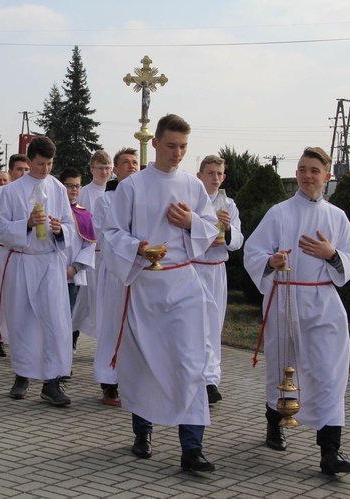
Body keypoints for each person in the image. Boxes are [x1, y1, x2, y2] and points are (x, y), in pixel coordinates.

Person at [101, 114, 219, 472]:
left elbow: (211, 229)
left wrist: (190, 223)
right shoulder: (133, 186)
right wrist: (138, 248)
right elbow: (111, 232)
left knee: (190, 363)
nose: (178, 153)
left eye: (183, 147)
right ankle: (143, 432)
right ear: (155, 144)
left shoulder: (193, 185)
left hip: (184, 284)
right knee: (146, 363)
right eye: (171, 146)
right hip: (145, 286)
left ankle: (192, 448)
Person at [243, 146, 350, 475]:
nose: (307, 176)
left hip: (323, 305)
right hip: (286, 300)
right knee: (282, 369)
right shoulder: (279, 213)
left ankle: (330, 451)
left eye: (314, 170)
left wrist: (331, 253)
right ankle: (274, 424)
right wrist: (271, 261)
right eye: (302, 169)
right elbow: (253, 251)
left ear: (327, 176)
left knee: (328, 375)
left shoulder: (337, 217)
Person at [0, 136, 75, 406]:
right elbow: (0, 230)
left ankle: (52, 382)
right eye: (40, 164)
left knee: (55, 322)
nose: (45, 170)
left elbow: (71, 226)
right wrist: (25, 224)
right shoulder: (11, 191)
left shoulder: (58, 188)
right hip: (24, 261)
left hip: (50, 261)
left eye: (50, 164)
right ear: (29, 160)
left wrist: (61, 230)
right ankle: (22, 375)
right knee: (23, 321)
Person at [91, 147, 139, 406]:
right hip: (116, 273)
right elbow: (107, 235)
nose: (131, 166)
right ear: (116, 170)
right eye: (125, 162)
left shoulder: (147, 196)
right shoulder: (106, 200)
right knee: (113, 327)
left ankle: (135, 381)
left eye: (135, 162)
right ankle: (109, 382)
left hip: (143, 274)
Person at [194, 155, 244, 404]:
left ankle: (211, 380)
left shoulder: (229, 205)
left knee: (214, 326)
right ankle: (194, 376)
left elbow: (237, 241)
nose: (215, 178)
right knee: (195, 325)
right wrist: (203, 236)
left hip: (216, 270)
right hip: (193, 269)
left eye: (219, 174)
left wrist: (228, 229)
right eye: (210, 173)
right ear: (199, 175)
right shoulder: (190, 201)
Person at [0, 154, 30, 357]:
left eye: (27, 170)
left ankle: (22, 338)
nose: (23, 173)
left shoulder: (34, 192)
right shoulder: (1, 193)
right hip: (4, 251)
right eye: (19, 169)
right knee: (0, 295)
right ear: (10, 172)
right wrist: (13, 236)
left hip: (26, 254)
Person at [70, 150, 112, 348]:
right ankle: (72, 340)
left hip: (109, 257)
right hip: (90, 256)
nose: (104, 172)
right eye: (100, 168)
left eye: (107, 168)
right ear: (91, 169)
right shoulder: (84, 193)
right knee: (82, 302)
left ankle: (107, 344)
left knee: (107, 302)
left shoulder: (116, 192)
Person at [60, 168, 96, 354]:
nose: (74, 190)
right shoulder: (52, 211)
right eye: (69, 186)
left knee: (68, 316)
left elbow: (89, 245)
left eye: (77, 186)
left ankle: (65, 355)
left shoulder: (84, 215)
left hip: (71, 276)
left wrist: (75, 268)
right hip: (49, 272)